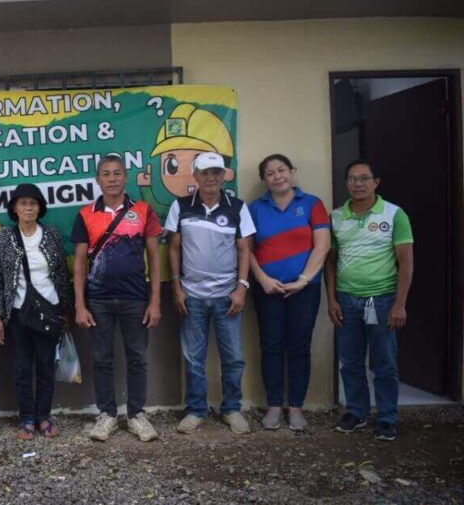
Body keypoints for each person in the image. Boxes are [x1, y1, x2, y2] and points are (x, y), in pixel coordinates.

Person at [72, 154, 162, 442]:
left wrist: (156, 301)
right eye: (106, 174)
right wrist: (80, 305)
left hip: (136, 298)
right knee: (101, 359)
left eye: (117, 173)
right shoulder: (85, 214)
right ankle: (107, 414)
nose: (112, 178)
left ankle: (136, 415)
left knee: (138, 357)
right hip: (97, 300)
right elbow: (79, 264)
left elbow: (154, 257)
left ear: (125, 177)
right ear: (98, 180)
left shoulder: (144, 211)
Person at [167, 152, 255, 435]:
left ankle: (231, 409)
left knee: (233, 358)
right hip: (191, 295)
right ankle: (196, 410)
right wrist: (177, 287)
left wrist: (241, 288)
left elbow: (245, 249)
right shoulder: (180, 206)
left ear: (224, 175)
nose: (211, 178)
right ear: (195, 176)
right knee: (194, 358)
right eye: (205, 173)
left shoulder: (237, 207)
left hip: (227, 296)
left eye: (216, 172)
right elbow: (173, 248)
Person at [326, 160, 413, 442]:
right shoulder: (337, 216)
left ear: (376, 182)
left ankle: (387, 417)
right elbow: (330, 261)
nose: (358, 184)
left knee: (384, 361)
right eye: (352, 179)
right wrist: (332, 300)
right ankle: (356, 411)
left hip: (382, 299)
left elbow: (406, 262)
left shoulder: (394, 214)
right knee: (350, 361)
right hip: (347, 300)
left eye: (364, 178)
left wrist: (399, 304)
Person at [249, 154, 330, 431]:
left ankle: (296, 407)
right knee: (270, 346)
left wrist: (304, 279)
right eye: (270, 173)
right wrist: (261, 278)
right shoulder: (255, 208)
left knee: (299, 347)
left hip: (304, 290)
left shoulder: (312, 204)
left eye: (281, 170)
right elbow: (245, 250)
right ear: (264, 180)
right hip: (267, 289)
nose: (277, 176)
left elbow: (322, 246)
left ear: (292, 172)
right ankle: (274, 406)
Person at [0, 183, 71, 440]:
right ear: (14, 208)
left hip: (48, 311)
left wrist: (65, 310)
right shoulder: (4, 237)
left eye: (33, 203)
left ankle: (44, 417)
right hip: (18, 315)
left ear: (40, 208)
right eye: (23, 203)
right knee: (22, 369)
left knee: (46, 367)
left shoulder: (52, 235)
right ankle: (26, 418)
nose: (28, 208)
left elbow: (61, 275)